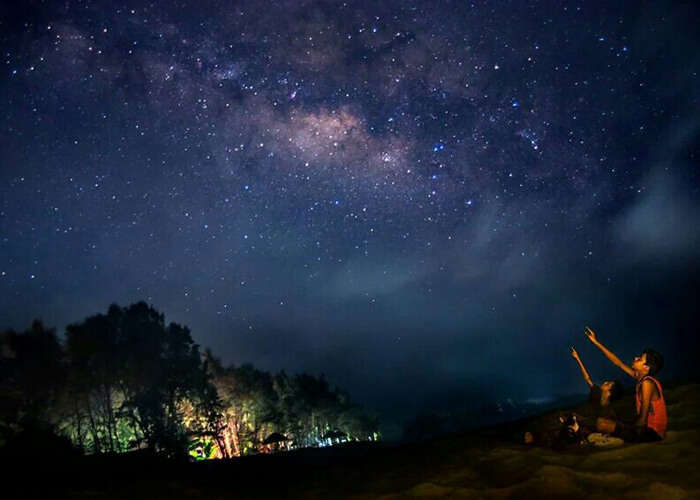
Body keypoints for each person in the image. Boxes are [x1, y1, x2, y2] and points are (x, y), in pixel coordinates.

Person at [583, 326, 667, 442]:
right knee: (607, 421)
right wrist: (596, 342)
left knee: (602, 423)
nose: (635, 358)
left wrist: (628, 431)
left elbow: (643, 418)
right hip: (646, 427)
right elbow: (617, 362)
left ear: (646, 367)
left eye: (639, 359)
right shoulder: (641, 377)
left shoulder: (647, 383)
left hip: (652, 432)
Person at [569, 346, 623, 428]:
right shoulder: (596, 392)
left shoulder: (608, 410)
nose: (605, 382)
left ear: (609, 392)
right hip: (589, 422)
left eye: (608, 384)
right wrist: (577, 358)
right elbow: (587, 378)